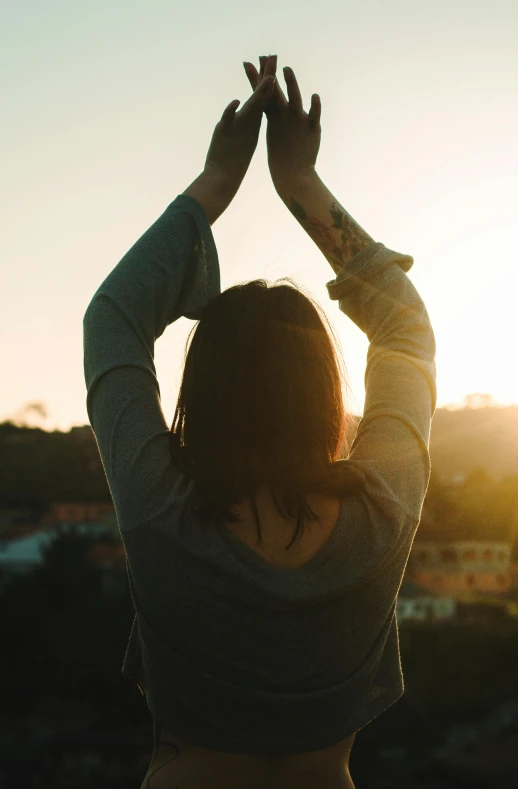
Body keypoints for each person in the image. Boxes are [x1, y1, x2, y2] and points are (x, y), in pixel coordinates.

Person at [83, 54, 436, 789]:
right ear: (321, 394)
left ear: (202, 394)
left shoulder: (161, 508)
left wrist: (216, 182)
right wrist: (300, 183)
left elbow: (113, 320)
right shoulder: (382, 508)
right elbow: (404, 327)